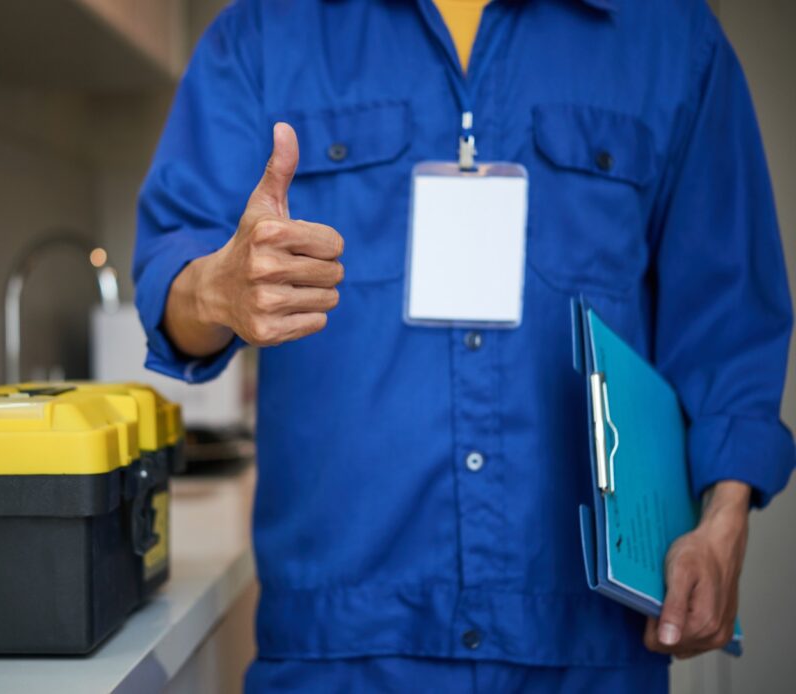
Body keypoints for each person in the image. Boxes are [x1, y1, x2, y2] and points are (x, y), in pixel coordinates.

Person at [133, 0, 795, 691]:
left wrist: (724, 517)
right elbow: (168, 273)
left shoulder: (672, 35)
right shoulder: (266, 30)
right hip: (337, 649)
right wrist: (217, 289)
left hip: (594, 648)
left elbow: (729, 314)